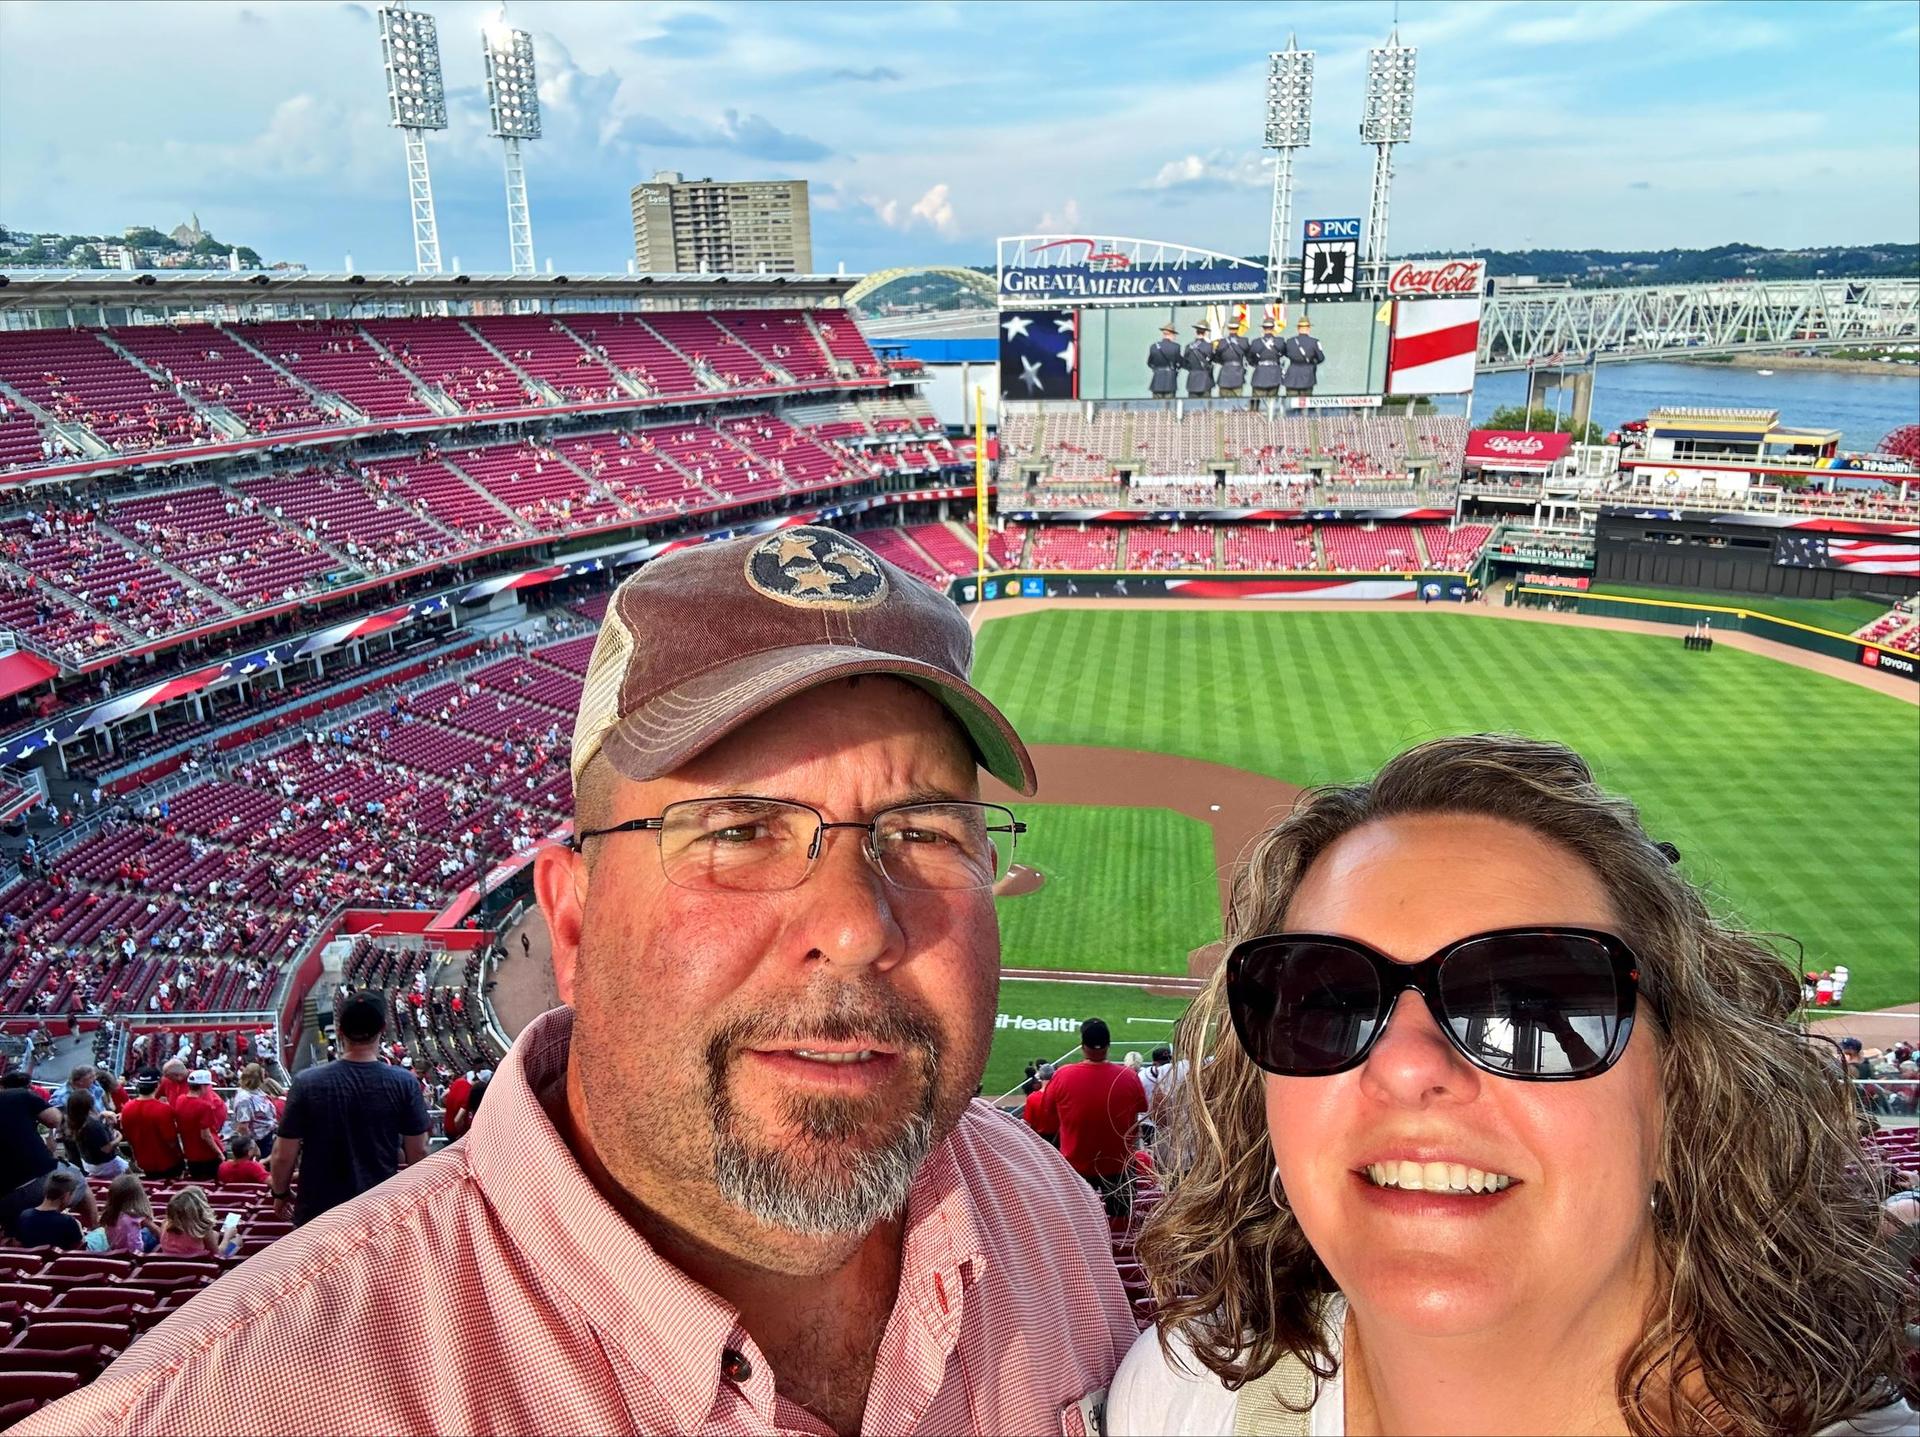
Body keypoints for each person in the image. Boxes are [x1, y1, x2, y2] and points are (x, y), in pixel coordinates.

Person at [21, 527, 1135, 1436]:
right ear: (575, 920)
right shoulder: (217, 1409)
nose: (853, 927)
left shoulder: (1049, 1217)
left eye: (924, 830)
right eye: (739, 830)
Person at [1107, 734, 1913, 1436]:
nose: (1407, 1063)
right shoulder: (1177, 1400)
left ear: (1681, 1096)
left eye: (1533, 1004)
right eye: (1328, 999)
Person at [266, 990, 430, 1226]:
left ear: (340, 1030)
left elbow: (282, 1154)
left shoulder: (306, 1082)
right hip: (376, 1212)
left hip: (317, 1214)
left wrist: (280, 1194)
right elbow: (419, 1153)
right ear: (382, 1028)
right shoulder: (404, 1083)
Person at [1035, 1018, 1148, 1219]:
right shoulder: (1129, 1076)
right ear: (1108, 1046)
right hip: (1118, 1166)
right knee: (1122, 1224)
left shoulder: (1062, 1075)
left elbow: (1047, 1120)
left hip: (1076, 1166)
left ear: (1083, 1047)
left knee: (1077, 1224)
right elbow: (1141, 1109)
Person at [0, 1068, 60, 1236]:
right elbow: (54, 1119)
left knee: (14, 1230)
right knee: (76, 1179)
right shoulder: (20, 1095)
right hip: (33, 1180)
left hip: (7, 1191)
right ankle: (92, 1228)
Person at [118, 1069, 184, 1179]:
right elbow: (171, 1141)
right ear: (157, 1085)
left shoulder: (126, 1109)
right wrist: (180, 1158)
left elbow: (128, 1137)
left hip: (144, 1162)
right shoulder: (164, 1109)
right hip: (167, 1162)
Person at [15, 1168, 95, 1250]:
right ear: (66, 1196)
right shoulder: (68, 1222)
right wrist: (80, 1231)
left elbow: (18, 1244)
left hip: (31, 1263)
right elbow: (78, 1249)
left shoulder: (24, 1216)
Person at [173, 1069, 228, 1181]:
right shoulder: (204, 1106)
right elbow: (205, 1135)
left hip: (191, 1154)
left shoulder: (180, 1100)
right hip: (208, 1155)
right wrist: (219, 1154)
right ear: (203, 1086)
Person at [61, 1090, 125, 1179]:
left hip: (89, 1163)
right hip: (107, 1164)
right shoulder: (93, 1125)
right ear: (89, 1104)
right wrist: (119, 1137)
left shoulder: (71, 1121)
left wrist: (101, 1115)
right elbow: (106, 1149)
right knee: (130, 1179)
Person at [92, 1171, 159, 1255]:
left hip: (117, 1251)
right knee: (150, 1233)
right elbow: (156, 1230)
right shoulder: (135, 1215)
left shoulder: (108, 1214)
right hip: (137, 1253)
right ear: (138, 1196)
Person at [224, 1062, 279, 1158]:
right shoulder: (244, 1099)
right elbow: (243, 1127)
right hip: (259, 1142)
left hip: (268, 1136)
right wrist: (253, 1146)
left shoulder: (257, 1092)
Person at [158, 1186, 221, 1256]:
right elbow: (218, 1255)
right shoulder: (203, 1230)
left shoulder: (164, 1225)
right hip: (197, 1266)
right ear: (198, 1210)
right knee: (234, 1239)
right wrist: (227, 1238)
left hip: (168, 1266)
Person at [1281, 315, 1325, 399]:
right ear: (1309, 328)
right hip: (1307, 375)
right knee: (1305, 403)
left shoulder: (1290, 341)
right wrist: (1312, 362)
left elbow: (1286, 354)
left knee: (1291, 402)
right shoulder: (1314, 342)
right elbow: (1321, 358)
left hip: (1292, 375)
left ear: (1298, 328)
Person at [1249, 318, 1285, 401]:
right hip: (1274, 374)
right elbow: (1284, 353)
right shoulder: (1280, 341)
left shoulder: (1256, 342)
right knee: (1271, 403)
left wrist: (1256, 365)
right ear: (1273, 328)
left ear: (1263, 328)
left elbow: (1250, 358)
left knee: (1255, 404)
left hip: (1260, 374)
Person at [1214, 325, 1251, 397]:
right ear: (1238, 329)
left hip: (1225, 375)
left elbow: (1216, 358)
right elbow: (1249, 357)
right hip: (1238, 375)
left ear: (1228, 329)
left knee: (1223, 404)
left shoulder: (1222, 342)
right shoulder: (1244, 341)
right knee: (1237, 404)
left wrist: (1224, 363)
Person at [1148, 322, 1182, 400]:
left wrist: (1157, 369)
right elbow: (1180, 363)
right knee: (1169, 408)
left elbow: (1150, 363)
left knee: (1156, 407)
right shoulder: (1176, 347)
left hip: (1157, 380)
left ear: (1163, 334)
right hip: (1170, 381)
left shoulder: (1154, 347)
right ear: (1171, 334)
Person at [1184, 324, 1216, 399]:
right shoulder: (1209, 346)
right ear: (1205, 333)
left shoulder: (1188, 347)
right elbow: (1213, 359)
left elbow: (1185, 363)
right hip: (1205, 381)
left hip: (1192, 380)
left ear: (1196, 332)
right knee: (1206, 409)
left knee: (1192, 407)